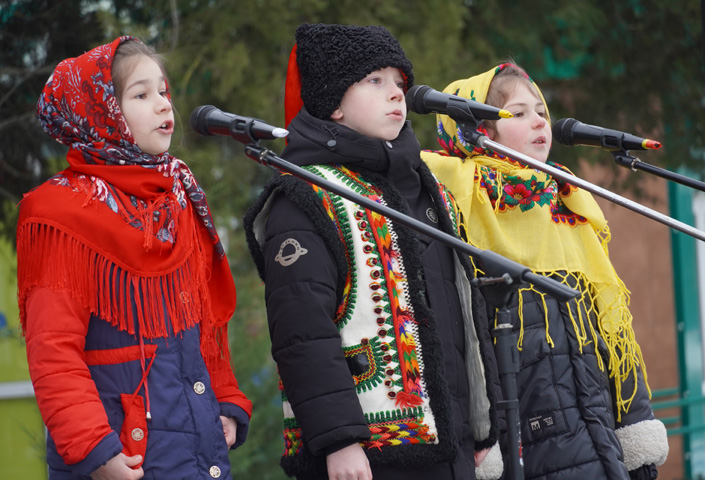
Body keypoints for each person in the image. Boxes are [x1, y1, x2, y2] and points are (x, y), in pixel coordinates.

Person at [243, 23, 502, 480]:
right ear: (334, 103)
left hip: (453, 450)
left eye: (399, 81)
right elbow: (302, 331)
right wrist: (339, 440)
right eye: (375, 80)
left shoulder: (428, 189)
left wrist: (481, 429)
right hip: (365, 457)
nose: (396, 93)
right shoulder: (306, 197)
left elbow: (463, 316)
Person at [16, 36, 252, 479]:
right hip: (123, 457)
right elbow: (54, 350)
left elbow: (203, 321)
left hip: (194, 452)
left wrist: (224, 400)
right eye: (141, 95)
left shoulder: (179, 196)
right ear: (100, 113)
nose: (164, 104)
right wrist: (95, 451)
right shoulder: (60, 212)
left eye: (163, 91)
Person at [421, 62, 669, 479]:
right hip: (522, 449)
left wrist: (635, 439)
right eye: (518, 113)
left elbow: (613, 338)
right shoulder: (454, 204)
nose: (539, 121)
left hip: (598, 444)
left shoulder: (567, 204)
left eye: (541, 111)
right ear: (478, 131)